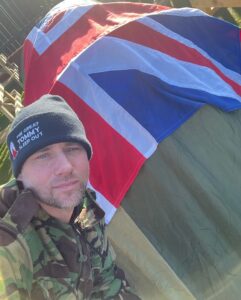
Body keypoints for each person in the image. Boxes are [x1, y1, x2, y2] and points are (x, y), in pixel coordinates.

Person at [0, 94, 140, 300]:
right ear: (20, 174)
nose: (65, 167)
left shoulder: (86, 208)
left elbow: (109, 284)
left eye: (72, 149)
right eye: (43, 155)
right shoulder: (8, 235)